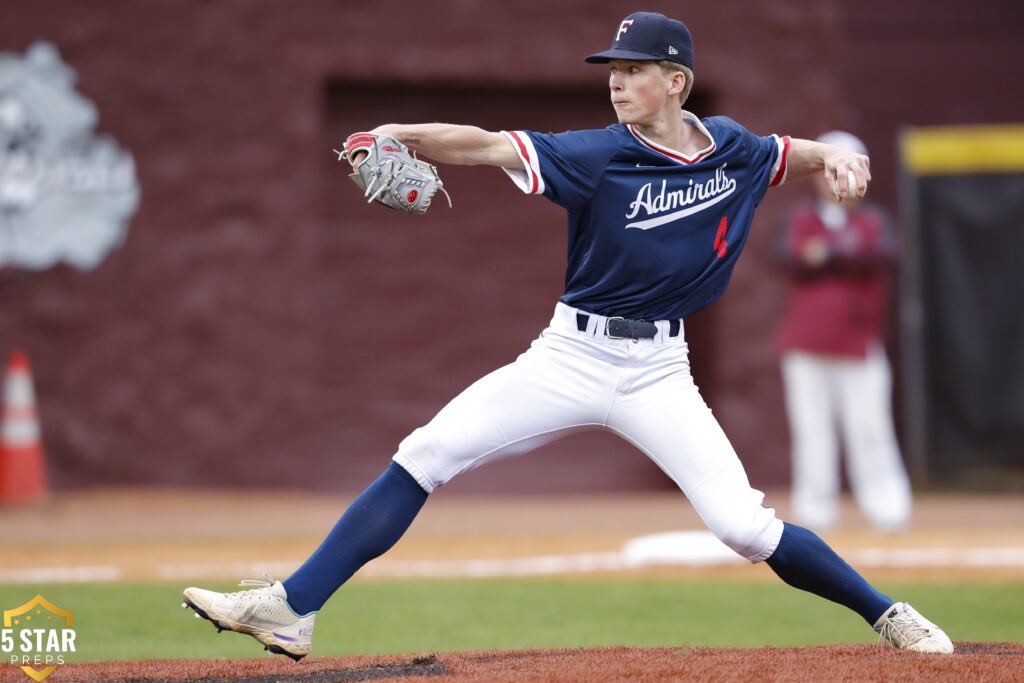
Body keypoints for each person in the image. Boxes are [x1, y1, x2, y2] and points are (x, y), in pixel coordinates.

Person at [181, 12, 953, 658]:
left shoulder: (732, 148)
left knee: (744, 526)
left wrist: (835, 157)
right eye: (612, 69)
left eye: (633, 69)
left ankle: (889, 613)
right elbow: (485, 143)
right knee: (427, 451)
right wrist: (395, 131)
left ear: (676, 82)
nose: (615, 81)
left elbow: (791, 154)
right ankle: (293, 606)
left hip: (660, 369)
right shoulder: (598, 154)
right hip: (570, 355)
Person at [776, 131, 913, 534]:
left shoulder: (875, 221)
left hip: (858, 342)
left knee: (869, 427)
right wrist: (840, 253)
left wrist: (827, 252)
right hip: (806, 343)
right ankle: (815, 512)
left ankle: (887, 507)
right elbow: (790, 256)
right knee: (811, 429)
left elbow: (879, 252)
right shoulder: (801, 217)